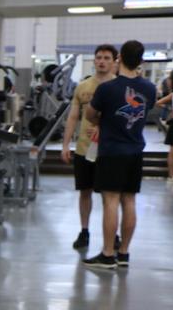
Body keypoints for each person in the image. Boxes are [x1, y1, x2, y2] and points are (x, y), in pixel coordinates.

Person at [82, 40, 156, 270]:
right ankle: (123, 253)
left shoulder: (107, 88)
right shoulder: (150, 89)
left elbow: (91, 114)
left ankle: (107, 254)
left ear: (119, 58)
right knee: (129, 200)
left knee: (111, 201)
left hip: (112, 151)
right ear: (141, 61)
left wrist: (104, 120)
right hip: (135, 150)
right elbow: (145, 112)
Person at [61, 44, 117, 250]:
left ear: (114, 62)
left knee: (109, 196)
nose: (102, 61)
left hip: (109, 151)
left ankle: (112, 235)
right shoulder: (83, 87)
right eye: (99, 57)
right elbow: (73, 117)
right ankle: (84, 231)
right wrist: (66, 144)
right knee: (85, 192)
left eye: (106, 58)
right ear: (94, 61)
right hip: (84, 150)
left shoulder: (118, 87)